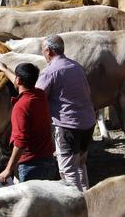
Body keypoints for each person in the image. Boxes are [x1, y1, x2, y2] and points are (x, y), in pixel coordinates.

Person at [36, 35, 96, 191]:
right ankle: (86, 198)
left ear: (48, 51)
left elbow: (36, 97)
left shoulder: (49, 72)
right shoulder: (76, 66)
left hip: (68, 126)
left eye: (43, 50)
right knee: (81, 164)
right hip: (87, 123)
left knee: (67, 170)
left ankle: (76, 206)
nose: (43, 53)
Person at [0, 62, 56, 183]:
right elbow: (19, 83)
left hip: (31, 166)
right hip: (48, 160)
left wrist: (8, 169)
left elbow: (20, 142)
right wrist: (5, 69)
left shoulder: (21, 107)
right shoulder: (40, 94)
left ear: (19, 80)